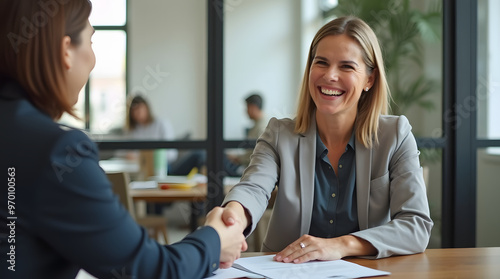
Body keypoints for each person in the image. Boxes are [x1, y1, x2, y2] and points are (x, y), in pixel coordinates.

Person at [0, 1, 246, 278]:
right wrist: (214, 239)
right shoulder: (55, 152)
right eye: (91, 41)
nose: (93, 60)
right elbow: (150, 270)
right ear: (65, 50)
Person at [220, 15, 433, 265]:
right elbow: (253, 189)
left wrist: (340, 245)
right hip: (287, 270)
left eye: (346, 66)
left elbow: (416, 225)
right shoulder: (279, 134)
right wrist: (232, 218)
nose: (330, 76)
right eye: (321, 63)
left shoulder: (395, 134)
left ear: (369, 79)